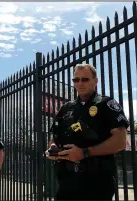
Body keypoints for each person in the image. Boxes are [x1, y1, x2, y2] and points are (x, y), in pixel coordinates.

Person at [45, 63, 129, 201]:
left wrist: (85, 152)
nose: (80, 83)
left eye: (85, 79)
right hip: (67, 180)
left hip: (97, 181)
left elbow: (120, 142)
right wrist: (53, 148)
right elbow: (54, 136)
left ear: (95, 81)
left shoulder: (106, 104)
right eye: (76, 79)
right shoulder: (66, 108)